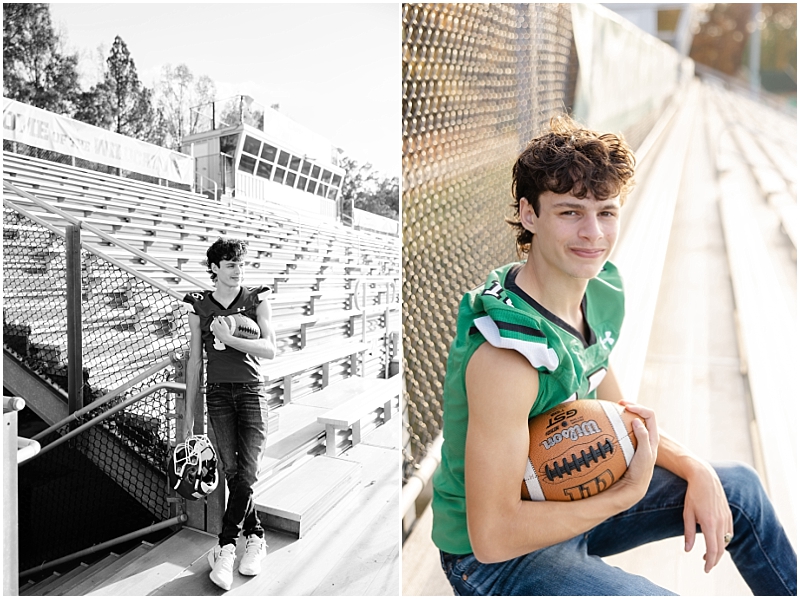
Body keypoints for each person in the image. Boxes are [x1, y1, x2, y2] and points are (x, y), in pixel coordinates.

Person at [430, 115, 797, 595]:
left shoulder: (597, 290)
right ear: (529, 214)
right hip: (493, 558)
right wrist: (623, 495)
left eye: (606, 211)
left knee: (741, 491)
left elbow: (624, 415)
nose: (593, 233)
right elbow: (492, 536)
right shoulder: (507, 356)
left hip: (565, 497)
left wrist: (695, 467)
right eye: (569, 213)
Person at [182, 237, 277, 591]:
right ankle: (255, 538)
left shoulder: (257, 299)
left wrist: (231, 337)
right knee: (233, 472)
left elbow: (270, 349)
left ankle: (224, 547)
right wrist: (190, 417)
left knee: (248, 472)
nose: (238, 271)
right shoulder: (198, 307)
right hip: (218, 395)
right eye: (231, 264)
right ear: (215, 269)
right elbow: (195, 362)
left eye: (241, 264)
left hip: (252, 392)